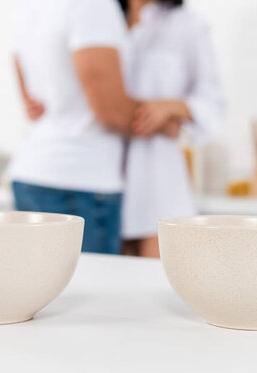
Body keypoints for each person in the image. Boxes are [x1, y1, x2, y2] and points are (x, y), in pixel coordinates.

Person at [11, 0, 177, 254]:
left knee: (40, 289)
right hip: (79, 182)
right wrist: (169, 119)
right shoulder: (93, 5)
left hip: (33, 171)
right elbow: (111, 111)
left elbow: (25, 78)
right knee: (93, 289)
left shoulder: (31, 6)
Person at [119, 0, 224, 257]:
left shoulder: (188, 25)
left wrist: (170, 107)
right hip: (101, 179)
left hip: (158, 181)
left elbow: (214, 107)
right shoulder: (99, 17)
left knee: (154, 282)